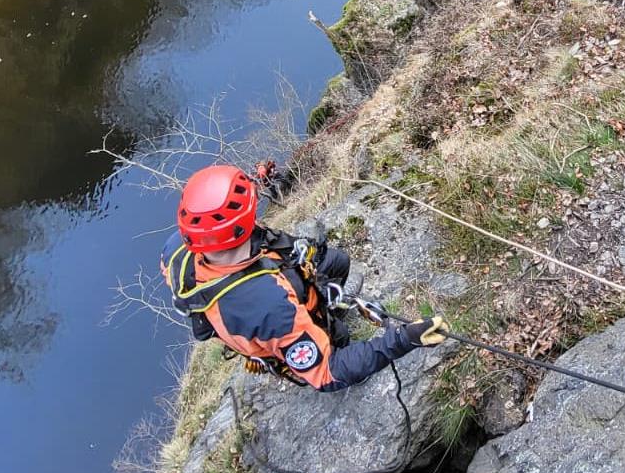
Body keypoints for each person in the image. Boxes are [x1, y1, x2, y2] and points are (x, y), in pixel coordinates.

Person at [161, 164, 448, 391]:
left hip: (267, 285)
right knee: (342, 351)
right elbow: (326, 373)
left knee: (337, 262)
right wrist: (402, 339)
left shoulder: (179, 248)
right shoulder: (269, 307)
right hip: (279, 321)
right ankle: (328, 334)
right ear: (244, 223)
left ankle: (325, 314)